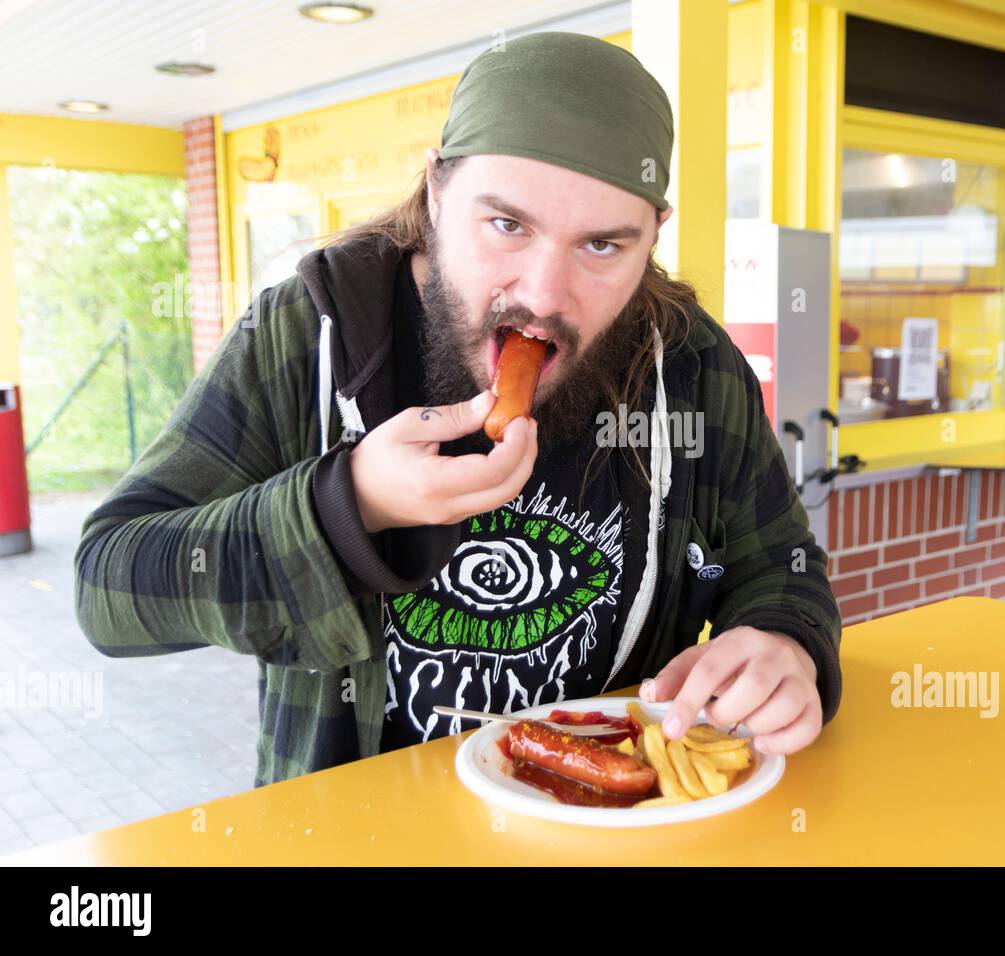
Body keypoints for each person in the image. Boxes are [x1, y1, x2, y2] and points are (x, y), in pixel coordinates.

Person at [74, 31, 842, 787]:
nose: (543, 295)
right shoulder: (306, 333)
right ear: (438, 192)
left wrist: (787, 641)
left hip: (612, 834)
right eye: (507, 224)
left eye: (603, 246)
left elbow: (782, 564)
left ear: (653, 235)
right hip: (357, 840)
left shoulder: (695, 368)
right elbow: (109, 587)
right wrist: (349, 509)